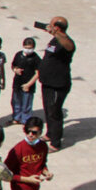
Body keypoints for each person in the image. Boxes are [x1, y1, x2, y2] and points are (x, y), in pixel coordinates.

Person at [38, 17, 76, 150]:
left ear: (57, 27)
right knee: (48, 109)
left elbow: (70, 46)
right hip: (47, 82)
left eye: (51, 23)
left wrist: (55, 33)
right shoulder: (55, 39)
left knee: (55, 112)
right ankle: (50, 133)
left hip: (57, 84)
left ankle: (55, 143)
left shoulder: (66, 41)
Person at [11, 37, 41, 124]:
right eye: (26, 48)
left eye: (30, 48)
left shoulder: (36, 58)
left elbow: (38, 73)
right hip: (17, 83)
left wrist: (28, 84)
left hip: (28, 86)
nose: (28, 50)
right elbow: (13, 65)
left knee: (27, 104)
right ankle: (16, 117)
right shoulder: (18, 55)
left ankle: (25, 120)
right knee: (16, 101)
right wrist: (15, 70)